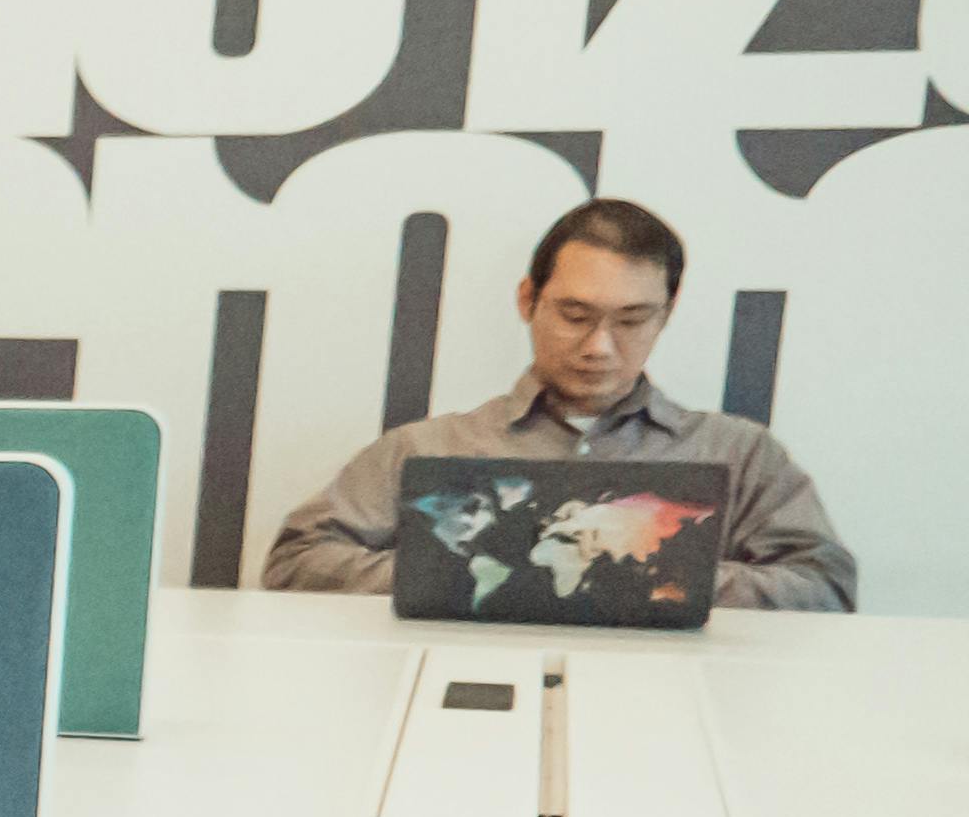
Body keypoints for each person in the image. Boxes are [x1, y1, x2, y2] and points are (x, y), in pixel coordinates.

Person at [262, 195, 859, 608]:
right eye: (575, 315)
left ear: (667, 313)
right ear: (528, 300)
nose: (599, 346)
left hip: (670, 712)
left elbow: (826, 587)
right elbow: (295, 563)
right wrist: (461, 577)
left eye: (632, 319)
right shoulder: (428, 447)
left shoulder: (739, 454)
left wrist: (659, 580)